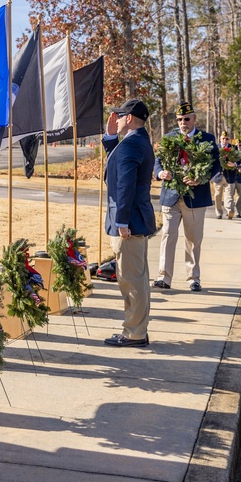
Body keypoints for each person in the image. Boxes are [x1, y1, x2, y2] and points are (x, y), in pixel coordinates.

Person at [103, 99, 157, 347]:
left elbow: (126, 186)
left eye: (120, 115)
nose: (117, 119)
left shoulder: (132, 144)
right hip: (133, 219)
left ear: (130, 117)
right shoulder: (136, 141)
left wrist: (121, 221)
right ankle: (136, 330)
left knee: (131, 280)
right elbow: (118, 168)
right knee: (135, 278)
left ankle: (134, 333)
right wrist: (111, 138)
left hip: (129, 222)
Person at [152, 102, 219, 292]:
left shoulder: (206, 139)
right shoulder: (169, 138)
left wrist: (201, 178)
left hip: (195, 198)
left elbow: (216, 165)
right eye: (180, 119)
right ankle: (163, 277)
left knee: (193, 239)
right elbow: (157, 161)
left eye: (186, 119)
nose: (183, 123)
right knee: (167, 235)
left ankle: (193, 278)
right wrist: (160, 173)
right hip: (171, 196)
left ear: (194, 119)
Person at [211, 132, 236, 219]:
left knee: (229, 194)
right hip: (218, 176)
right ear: (220, 139)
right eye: (223, 138)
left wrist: (235, 164)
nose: (225, 141)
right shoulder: (215, 148)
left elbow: (240, 160)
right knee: (218, 195)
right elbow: (211, 161)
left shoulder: (233, 148)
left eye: (227, 139)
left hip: (230, 175)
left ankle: (229, 210)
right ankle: (218, 212)